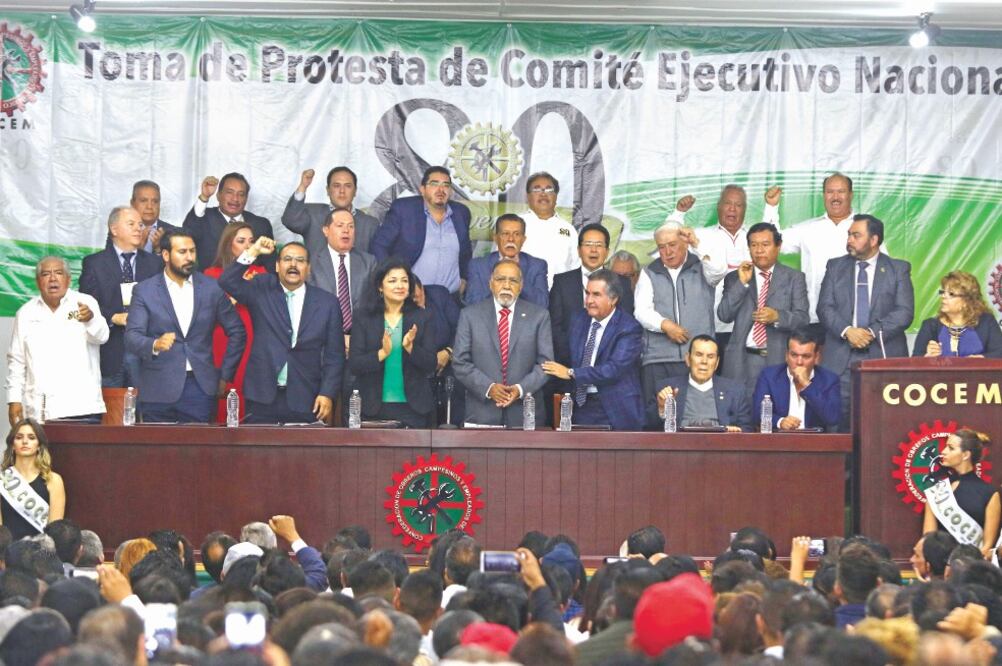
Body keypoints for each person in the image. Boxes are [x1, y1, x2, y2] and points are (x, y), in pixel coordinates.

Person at [219, 237, 345, 424]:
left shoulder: (327, 303)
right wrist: (253, 251)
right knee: (259, 452)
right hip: (262, 394)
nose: (293, 265)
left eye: (300, 261)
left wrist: (327, 393)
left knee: (301, 453)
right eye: (287, 259)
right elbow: (226, 281)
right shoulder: (261, 288)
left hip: (306, 395)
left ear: (308, 269)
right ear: (277, 266)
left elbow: (335, 356)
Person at [125, 231, 246, 423]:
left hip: (200, 387)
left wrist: (225, 374)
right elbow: (132, 336)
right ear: (166, 255)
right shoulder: (144, 290)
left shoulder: (211, 288)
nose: (190, 257)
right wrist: (155, 344)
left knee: (199, 451)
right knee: (157, 451)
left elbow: (237, 331)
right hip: (158, 388)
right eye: (182, 252)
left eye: (192, 251)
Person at [817, 214, 913, 429]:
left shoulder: (898, 269)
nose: (849, 239)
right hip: (840, 361)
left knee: (884, 426)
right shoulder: (835, 267)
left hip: (882, 357)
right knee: (837, 426)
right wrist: (847, 331)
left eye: (856, 235)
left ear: (874, 240)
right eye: (849, 234)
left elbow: (904, 312)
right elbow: (824, 307)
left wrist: (869, 332)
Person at [667, 185, 782, 361]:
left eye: (738, 205)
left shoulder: (755, 238)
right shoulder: (700, 236)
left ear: (745, 209)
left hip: (752, 328)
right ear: (718, 206)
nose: (732, 209)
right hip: (711, 327)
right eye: (728, 203)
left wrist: (771, 207)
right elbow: (667, 237)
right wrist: (679, 213)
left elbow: (772, 237)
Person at [7, 257, 109, 424]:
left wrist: (90, 319)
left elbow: (103, 337)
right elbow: (16, 361)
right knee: (45, 452)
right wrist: (14, 400)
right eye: (46, 274)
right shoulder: (25, 313)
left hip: (82, 407)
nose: (53, 278)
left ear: (68, 279)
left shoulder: (85, 303)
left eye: (59, 273)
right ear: (38, 281)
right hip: (39, 409)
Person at [453, 259, 554, 428]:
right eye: (500, 279)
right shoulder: (469, 315)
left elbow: (546, 365)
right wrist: (489, 387)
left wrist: (520, 389)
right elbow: (460, 362)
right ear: (491, 283)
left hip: (525, 415)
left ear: (521, 286)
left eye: (513, 280)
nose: (506, 285)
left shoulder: (539, 316)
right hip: (481, 414)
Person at [634, 220, 726, 398]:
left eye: (672, 245)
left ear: (685, 243)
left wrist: (697, 244)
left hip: (696, 359)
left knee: (694, 415)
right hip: (658, 359)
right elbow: (641, 310)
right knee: (657, 417)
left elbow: (718, 271)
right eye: (661, 247)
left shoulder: (701, 266)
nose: (667, 252)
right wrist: (665, 325)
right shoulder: (649, 271)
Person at [542, 269, 644, 431]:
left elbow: (613, 369)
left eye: (596, 295)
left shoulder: (629, 328)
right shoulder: (578, 319)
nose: (589, 300)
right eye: (587, 293)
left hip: (615, 407)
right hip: (581, 403)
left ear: (613, 299)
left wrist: (571, 373)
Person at [717, 222, 809, 393]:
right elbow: (724, 315)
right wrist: (742, 283)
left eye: (765, 245)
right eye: (754, 245)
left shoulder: (794, 278)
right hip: (740, 361)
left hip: (777, 359)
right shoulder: (735, 278)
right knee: (740, 416)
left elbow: (802, 318)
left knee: (774, 414)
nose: (759, 250)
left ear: (778, 246)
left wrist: (778, 317)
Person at [765, 173, 860, 335]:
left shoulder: (865, 228)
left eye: (841, 191)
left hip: (855, 322)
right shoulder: (809, 229)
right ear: (824, 195)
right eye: (830, 192)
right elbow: (772, 241)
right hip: (814, 319)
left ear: (851, 195)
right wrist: (771, 207)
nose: (835, 197)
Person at [348, 258, 438, 428]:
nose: (400, 285)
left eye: (404, 280)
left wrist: (411, 348)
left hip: (413, 407)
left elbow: (431, 364)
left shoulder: (423, 316)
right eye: (392, 280)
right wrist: (382, 353)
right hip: (373, 407)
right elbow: (355, 364)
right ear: (380, 286)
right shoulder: (363, 317)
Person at [81, 206, 161, 388]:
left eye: (140, 225)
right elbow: (88, 304)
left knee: (146, 412)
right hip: (110, 350)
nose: (138, 229)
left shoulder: (154, 264)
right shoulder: (94, 263)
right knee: (111, 412)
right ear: (114, 229)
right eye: (131, 224)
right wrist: (113, 317)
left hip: (145, 352)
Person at [370, 166, 472, 297]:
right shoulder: (404, 210)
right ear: (422, 189)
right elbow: (379, 246)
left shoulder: (461, 213)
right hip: (412, 297)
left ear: (451, 191)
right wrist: (394, 280)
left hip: (450, 298)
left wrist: (464, 279)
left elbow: (465, 253)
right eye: (434, 184)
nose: (441, 190)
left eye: (446, 185)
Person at [549, 224, 635, 369]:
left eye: (599, 245)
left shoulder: (622, 283)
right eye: (588, 244)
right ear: (579, 250)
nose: (593, 250)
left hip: (608, 368)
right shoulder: (562, 282)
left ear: (607, 251)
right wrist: (574, 360)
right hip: (568, 367)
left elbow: (625, 326)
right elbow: (555, 327)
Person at [204, 223, 264, 423]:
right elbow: (205, 313)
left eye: (251, 241)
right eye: (241, 241)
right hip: (222, 339)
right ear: (229, 245)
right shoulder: (211, 274)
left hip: (254, 339)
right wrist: (232, 297)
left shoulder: (261, 272)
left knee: (247, 389)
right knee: (225, 389)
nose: (248, 245)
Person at [921, 430, 1000, 559]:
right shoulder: (937, 492)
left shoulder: (990, 494)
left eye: (951, 448)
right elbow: (929, 540)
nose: (943, 451)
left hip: (972, 570)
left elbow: (987, 547)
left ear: (965, 455)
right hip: (941, 569)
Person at [651, 335, 752, 431]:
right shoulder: (666, 388)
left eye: (710, 356)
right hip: (680, 446)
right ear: (688, 359)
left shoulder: (735, 391)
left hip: (721, 445)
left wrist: (735, 433)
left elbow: (747, 430)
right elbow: (648, 428)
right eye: (699, 355)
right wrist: (661, 409)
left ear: (716, 363)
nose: (704, 361)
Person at [183, 172, 275, 271]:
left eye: (241, 194)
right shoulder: (204, 218)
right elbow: (188, 231)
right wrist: (204, 197)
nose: (235, 199)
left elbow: (270, 263)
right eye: (229, 192)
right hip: (212, 283)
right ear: (219, 195)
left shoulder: (261, 224)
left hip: (251, 283)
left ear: (246, 199)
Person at [282, 166, 379, 257]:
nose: (342, 191)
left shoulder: (370, 224)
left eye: (348, 186)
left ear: (355, 191)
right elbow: (290, 221)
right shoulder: (312, 214)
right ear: (328, 190)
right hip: (317, 275)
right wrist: (303, 187)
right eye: (336, 186)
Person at [752, 331, 841, 432]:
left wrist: (807, 385)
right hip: (779, 440)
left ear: (816, 357)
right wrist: (780, 422)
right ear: (786, 355)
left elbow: (832, 418)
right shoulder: (769, 376)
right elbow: (757, 414)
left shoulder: (829, 379)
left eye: (806, 356)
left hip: (814, 442)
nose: (799, 362)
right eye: (794, 355)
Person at [463, 214, 549, 308]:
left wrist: (516, 273)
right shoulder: (478, 265)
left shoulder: (537, 265)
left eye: (517, 234)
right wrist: (498, 278)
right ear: (496, 238)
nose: (511, 239)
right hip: (489, 320)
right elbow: (472, 303)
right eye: (505, 234)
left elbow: (542, 304)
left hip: (524, 321)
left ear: (523, 240)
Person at [0, 419, 66, 541]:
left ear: (39, 445)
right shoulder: (2, 479)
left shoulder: (54, 481)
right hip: (7, 554)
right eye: (19, 437)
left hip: (41, 555)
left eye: (31, 438)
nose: (25, 441)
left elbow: (55, 532)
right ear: (12, 445)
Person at [913, 271, 1002, 358]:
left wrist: (981, 358)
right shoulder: (930, 326)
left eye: (951, 294)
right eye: (943, 292)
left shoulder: (986, 322)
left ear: (967, 300)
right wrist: (927, 357)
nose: (943, 296)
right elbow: (915, 362)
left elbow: (999, 353)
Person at [518, 172, 580, 287]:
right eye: (537, 190)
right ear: (528, 196)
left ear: (556, 196)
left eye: (549, 190)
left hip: (559, 298)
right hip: (522, 296)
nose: (543, 194)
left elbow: (575, 268)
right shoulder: (515, 224)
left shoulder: (568, 230)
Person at [130, 180, 179, 254]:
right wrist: (139, 247)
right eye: (143, 201)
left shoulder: (174, 233)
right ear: (132, 204)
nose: (149, 206)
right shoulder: (120, 232)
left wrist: (159, 249)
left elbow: (179, 264)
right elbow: (112, 264)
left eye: (155, 201)